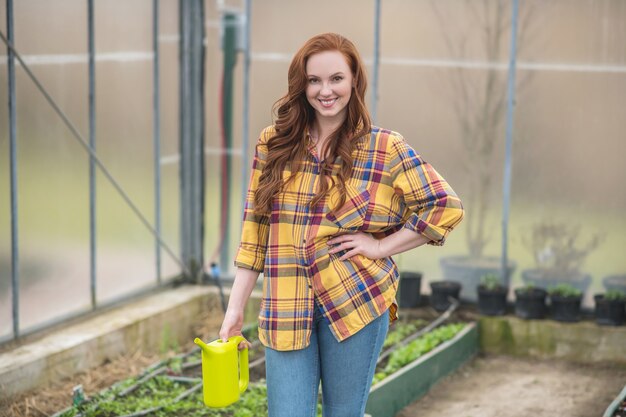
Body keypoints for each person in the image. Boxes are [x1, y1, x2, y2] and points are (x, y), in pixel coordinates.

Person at [218, 32, 464, 417]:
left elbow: (444, 206)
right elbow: (255, 234)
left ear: (354, 81)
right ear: (301, 86)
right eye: (314, 80)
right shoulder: (274, 145)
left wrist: (380, 246)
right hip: (287, 304)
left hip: (355, 304)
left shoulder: (383, 147)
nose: (325, 90)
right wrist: (235, 310)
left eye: (336, 78)